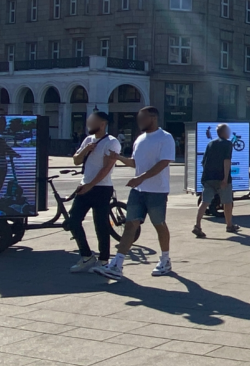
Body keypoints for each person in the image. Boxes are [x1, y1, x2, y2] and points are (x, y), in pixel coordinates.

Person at [93, 107, 176, 279]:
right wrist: (118, 158)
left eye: (142, 119)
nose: (139, 122)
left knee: (159, 224)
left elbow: (164, 163)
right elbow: (134, 163)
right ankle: (117, 264)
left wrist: (141, 178)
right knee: (130, 224)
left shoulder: (165, 138)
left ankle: (165, 259)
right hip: (138, 191)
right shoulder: (139, 139)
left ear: (153, 118)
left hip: (157, 191)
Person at [67, 111, 121, 273]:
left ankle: (104, 260)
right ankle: (86, 256)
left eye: (92, 121)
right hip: (85, 186)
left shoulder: (111, 142)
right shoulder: (88, 139)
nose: (89, 124)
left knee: (101, 224)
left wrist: (90, 186)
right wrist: (85, 150)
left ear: (102, 124)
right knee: (73, 220)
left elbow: (106, 168)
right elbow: (76, 160)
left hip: (102, 188)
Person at [193, 124, 239, 238]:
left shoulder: (210, 143)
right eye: (228, 131)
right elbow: (226, 161)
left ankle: (197, 225)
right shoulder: (227, 144)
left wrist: (206, 174)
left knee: (205, 202)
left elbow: (203, 162)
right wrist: (225, 178)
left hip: (208, 177)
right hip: (221, 178)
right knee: (227, 202)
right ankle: (229, 225)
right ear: (224, 133)